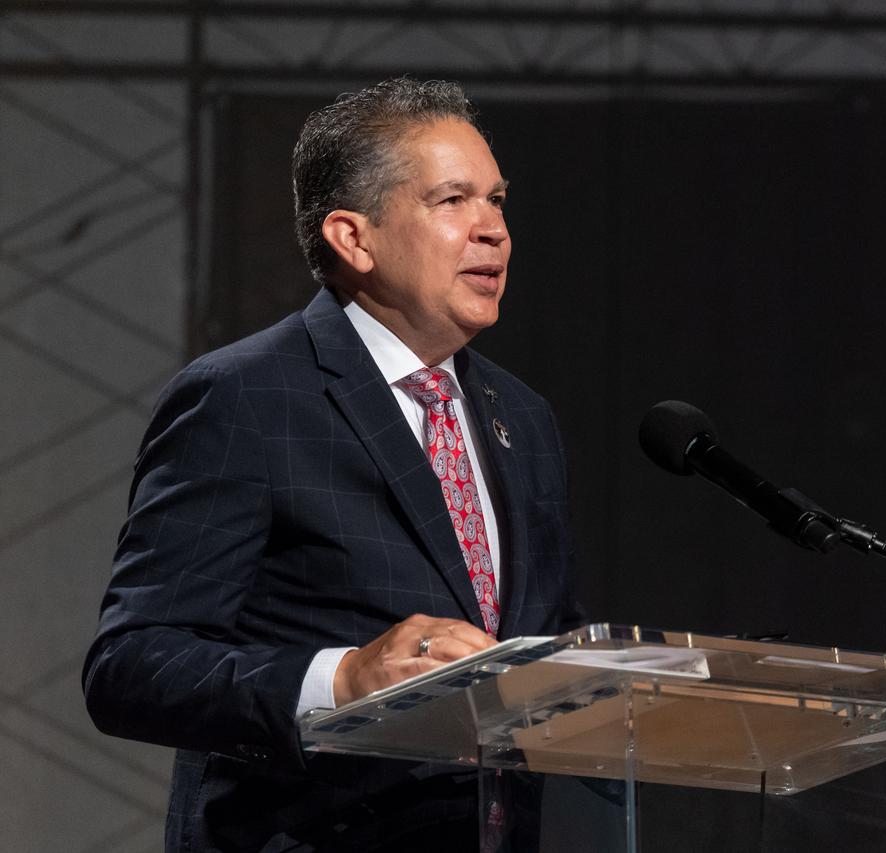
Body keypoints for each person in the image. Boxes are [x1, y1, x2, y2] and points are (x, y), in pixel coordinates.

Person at [83, 78, 580, 851]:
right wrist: (342, 681)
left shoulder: (523, 418)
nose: (494, 230)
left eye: (498, 199)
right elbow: (133, 664)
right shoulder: (248, 397)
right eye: (453, 200)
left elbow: (536, 645)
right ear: (355, 237)